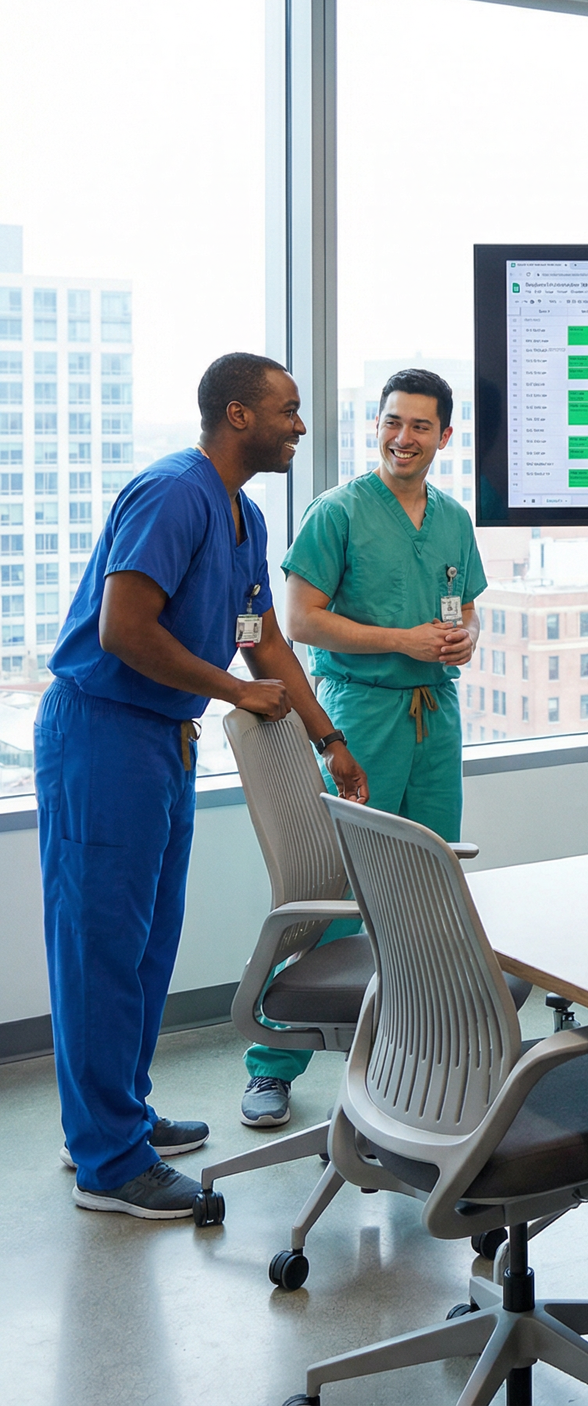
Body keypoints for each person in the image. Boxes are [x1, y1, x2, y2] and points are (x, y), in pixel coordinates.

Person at [37, 353, 368, 1220]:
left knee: (145, 948)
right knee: (100, 950)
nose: (300, 425)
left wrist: (326, 736)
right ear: (236, 416)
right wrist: (235, 694)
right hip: (102, 737)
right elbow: (122, 630)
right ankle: (109, 1166)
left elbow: (260, 639)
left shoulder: (242, 517)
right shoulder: (173, 493)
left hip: (160, 742)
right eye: (287, 410)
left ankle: (116, 1119)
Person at [238, 367, 485, 1128]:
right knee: (341, 894)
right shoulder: (338, 513)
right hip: (360, 714)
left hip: (432, 718)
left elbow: (466, 613)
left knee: (430, 890)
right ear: (376, 426)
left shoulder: (451, 520)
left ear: (444, 436)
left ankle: (407, 1055)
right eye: (390, 422)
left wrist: (461, 641)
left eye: (418, 426)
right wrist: (401, 640)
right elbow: (300, 621)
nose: (401, 438)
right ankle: (273, 1062)